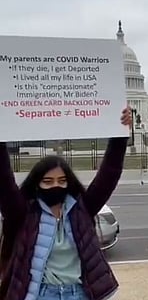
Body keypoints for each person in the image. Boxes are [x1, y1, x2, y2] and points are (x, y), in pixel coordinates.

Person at [0, 107, 132, 300]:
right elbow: (4, 182)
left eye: (62, 181)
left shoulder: (81, 209)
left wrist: (120, 137)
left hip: (79, 293)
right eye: (48, 182)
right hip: (41, 295)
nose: (56, 186)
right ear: (36, 184)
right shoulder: (24, 213)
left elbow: (109, 174)